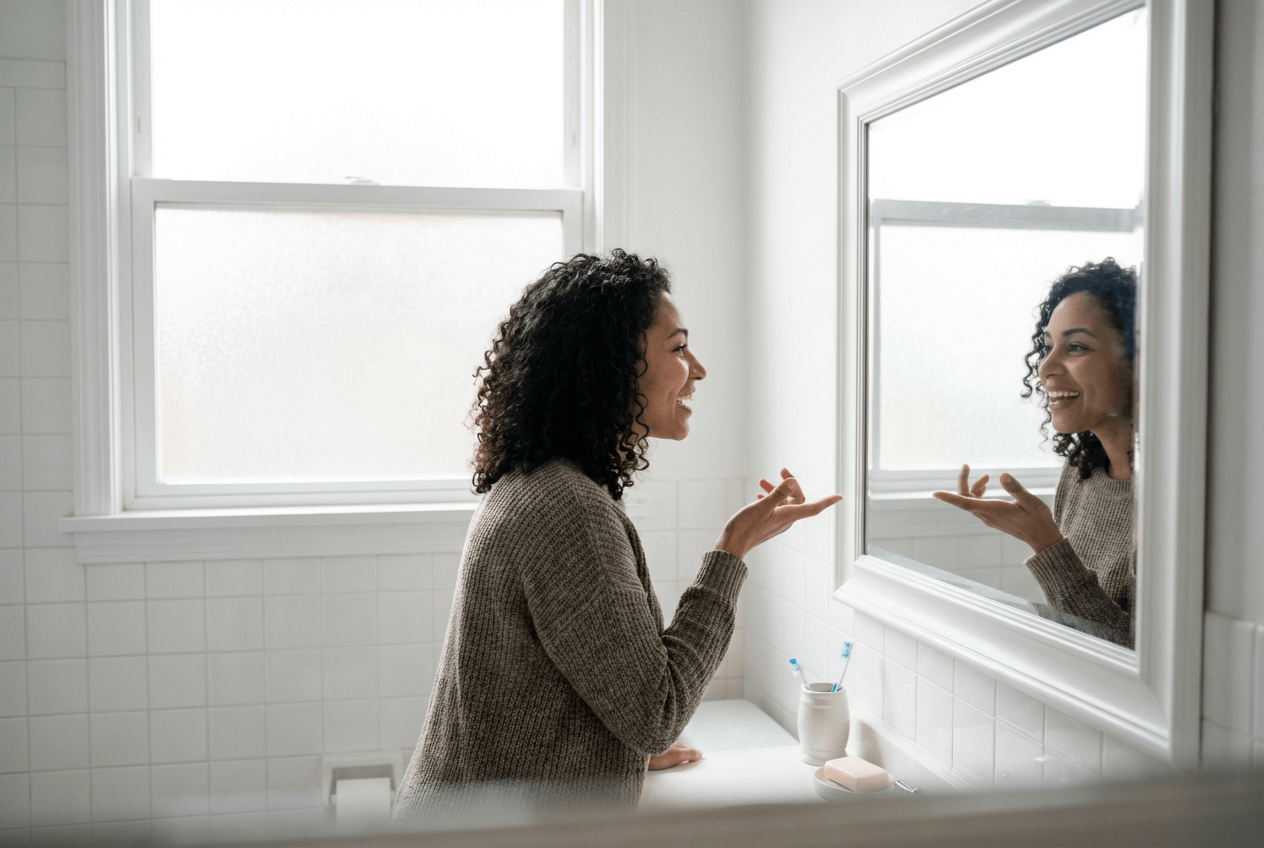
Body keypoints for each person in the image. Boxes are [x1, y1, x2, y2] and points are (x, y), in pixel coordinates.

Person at [393, 250, 839, 823]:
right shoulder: (566, 510)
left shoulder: (541, 485)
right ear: (611, 366)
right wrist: (733, 549)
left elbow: (546, 684)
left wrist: (612, 749)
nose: (698, 370)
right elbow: (657, 713)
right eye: (678, 349)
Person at [933, 259, 1136, 647]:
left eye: (1075, 347)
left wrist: (1045, 542)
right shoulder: (1082, 474)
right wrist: (1037, 536)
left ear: (1138, 362)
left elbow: (1135, 658)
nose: (1045, 367)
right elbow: (1074, 630)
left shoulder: (1176, 499)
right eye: (1047, 347)